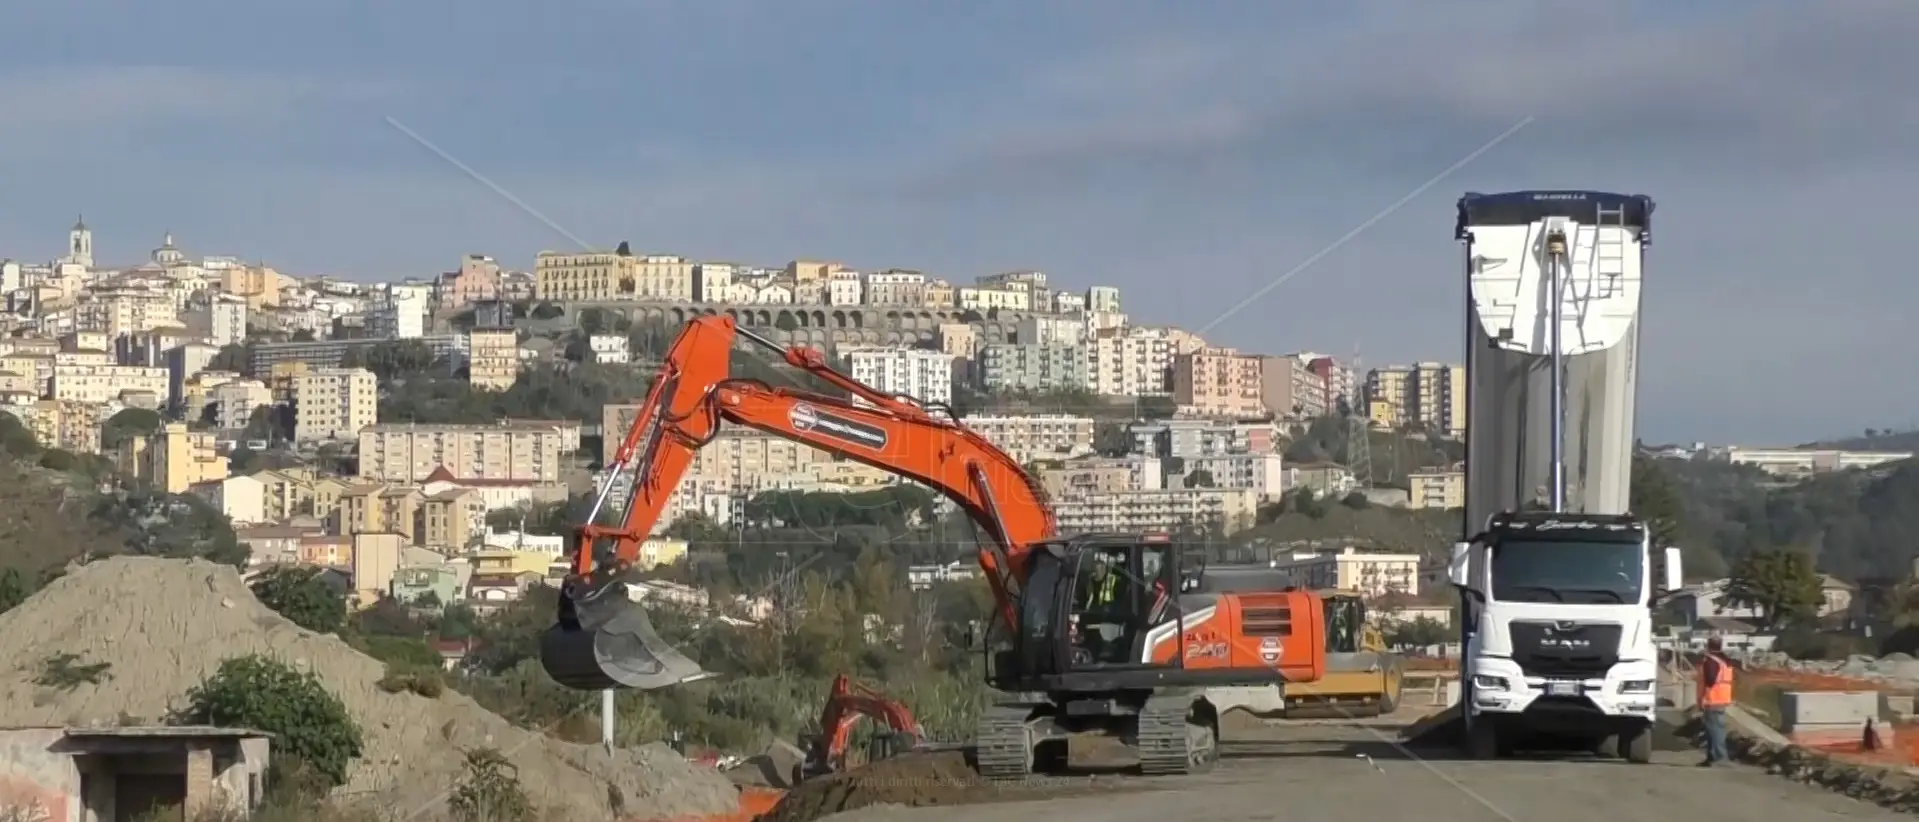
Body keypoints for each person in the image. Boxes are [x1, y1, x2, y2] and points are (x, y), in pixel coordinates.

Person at [1697, 635, 1735, 766]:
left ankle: (1717, 756)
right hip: (1722, 698)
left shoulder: (1711, 661)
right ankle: (1713, 756)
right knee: (1715, 729)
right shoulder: (1724, 661)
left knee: (1714, 730)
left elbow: (1710, 680)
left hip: (1712, 699)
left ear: (1708, 646)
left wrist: (1702, 698)